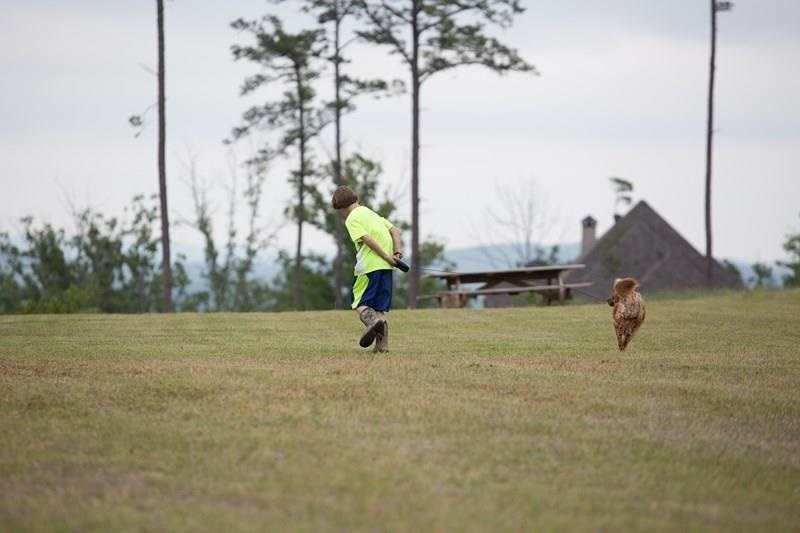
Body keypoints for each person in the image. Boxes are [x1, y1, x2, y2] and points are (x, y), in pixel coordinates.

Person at [332, 186, 402, 352]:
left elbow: (367, 240)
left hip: (369, 267)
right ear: (356, 199)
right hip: (387, 268)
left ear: (341, 207)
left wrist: (386, 256)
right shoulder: (372, 214)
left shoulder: (351, 219)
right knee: (380, 307)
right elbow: (395, 230)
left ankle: (372, 323)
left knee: (359, 302)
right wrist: (396, 254)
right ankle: (382, 346)